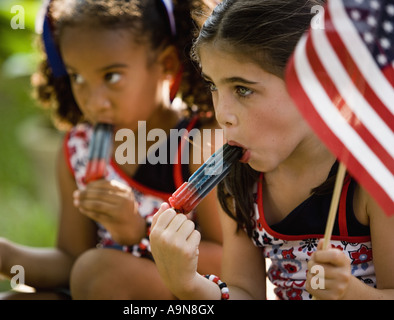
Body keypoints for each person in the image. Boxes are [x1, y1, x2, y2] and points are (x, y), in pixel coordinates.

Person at [0, 0, 222, 300]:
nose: (92, 100)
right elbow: (70, 259)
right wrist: (1, 257)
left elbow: (231, 261)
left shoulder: (200, 145)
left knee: (99, 272)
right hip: (95, 287)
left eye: (111, 77)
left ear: (166, 64)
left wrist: (140, 233)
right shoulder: (80, 148)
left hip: (187, 296)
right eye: (77, 76)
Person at [149, 0, 394, 300]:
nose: (223, 113)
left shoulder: (373, 175)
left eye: (242, 89)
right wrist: (188, 284)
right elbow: (245, 293)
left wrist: (351, 293)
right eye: (214, 86)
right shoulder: (239, 183)